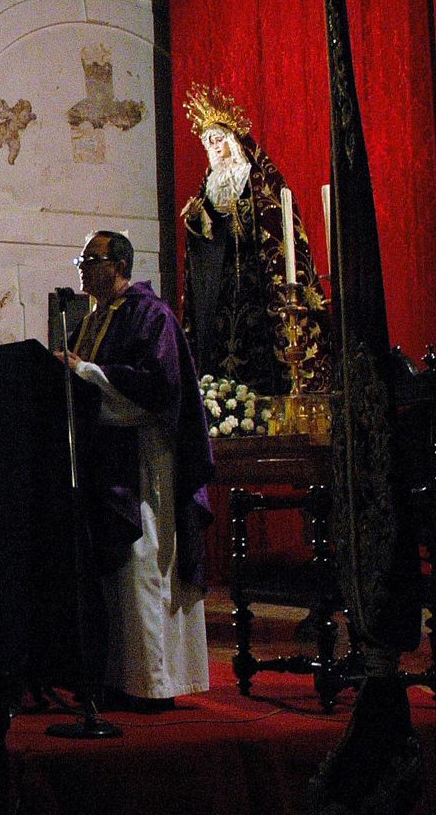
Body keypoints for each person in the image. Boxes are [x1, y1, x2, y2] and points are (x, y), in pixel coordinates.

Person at [56, 231, 216, 710]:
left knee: (145, 565)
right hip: (106, 462)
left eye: (92, 259)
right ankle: (116, 676)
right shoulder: (90, 321)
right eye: (81, 260)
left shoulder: (152, 315)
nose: (83, 268)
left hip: (145, 462)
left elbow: (160, 390)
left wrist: (86, 373)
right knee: (115, 574)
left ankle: (154, 683)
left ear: (120, 264)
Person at [180, 84, 329, 396]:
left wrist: (245, 216)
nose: (213, 147)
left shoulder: (256, 178)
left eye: (218, 139)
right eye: (208, 142)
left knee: (261, 340)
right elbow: (205, 235)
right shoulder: (211, 183)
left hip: (256, 279)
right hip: (222, 285)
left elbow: (275, 218)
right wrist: (196, 220)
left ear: (233, 140)